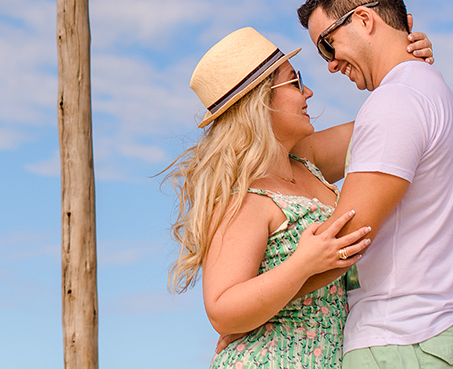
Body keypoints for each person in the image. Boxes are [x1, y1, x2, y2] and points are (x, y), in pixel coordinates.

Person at [168, 24, 433, 368]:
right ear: (261, 101)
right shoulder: (245, 195)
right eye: (294, 82)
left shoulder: (306, 160)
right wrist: (301, 265)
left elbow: (390, 120)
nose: (307, 92)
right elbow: (222, 309)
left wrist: (410, 68)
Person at [297, 0, 453, 368]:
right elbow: (304, 157)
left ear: (364, 20)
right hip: (431, 339)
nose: (329, 65)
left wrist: (245, 302)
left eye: (328, 45)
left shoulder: (397, 102)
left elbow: (344, 240)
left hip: (400, 343)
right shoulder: (425, 92)